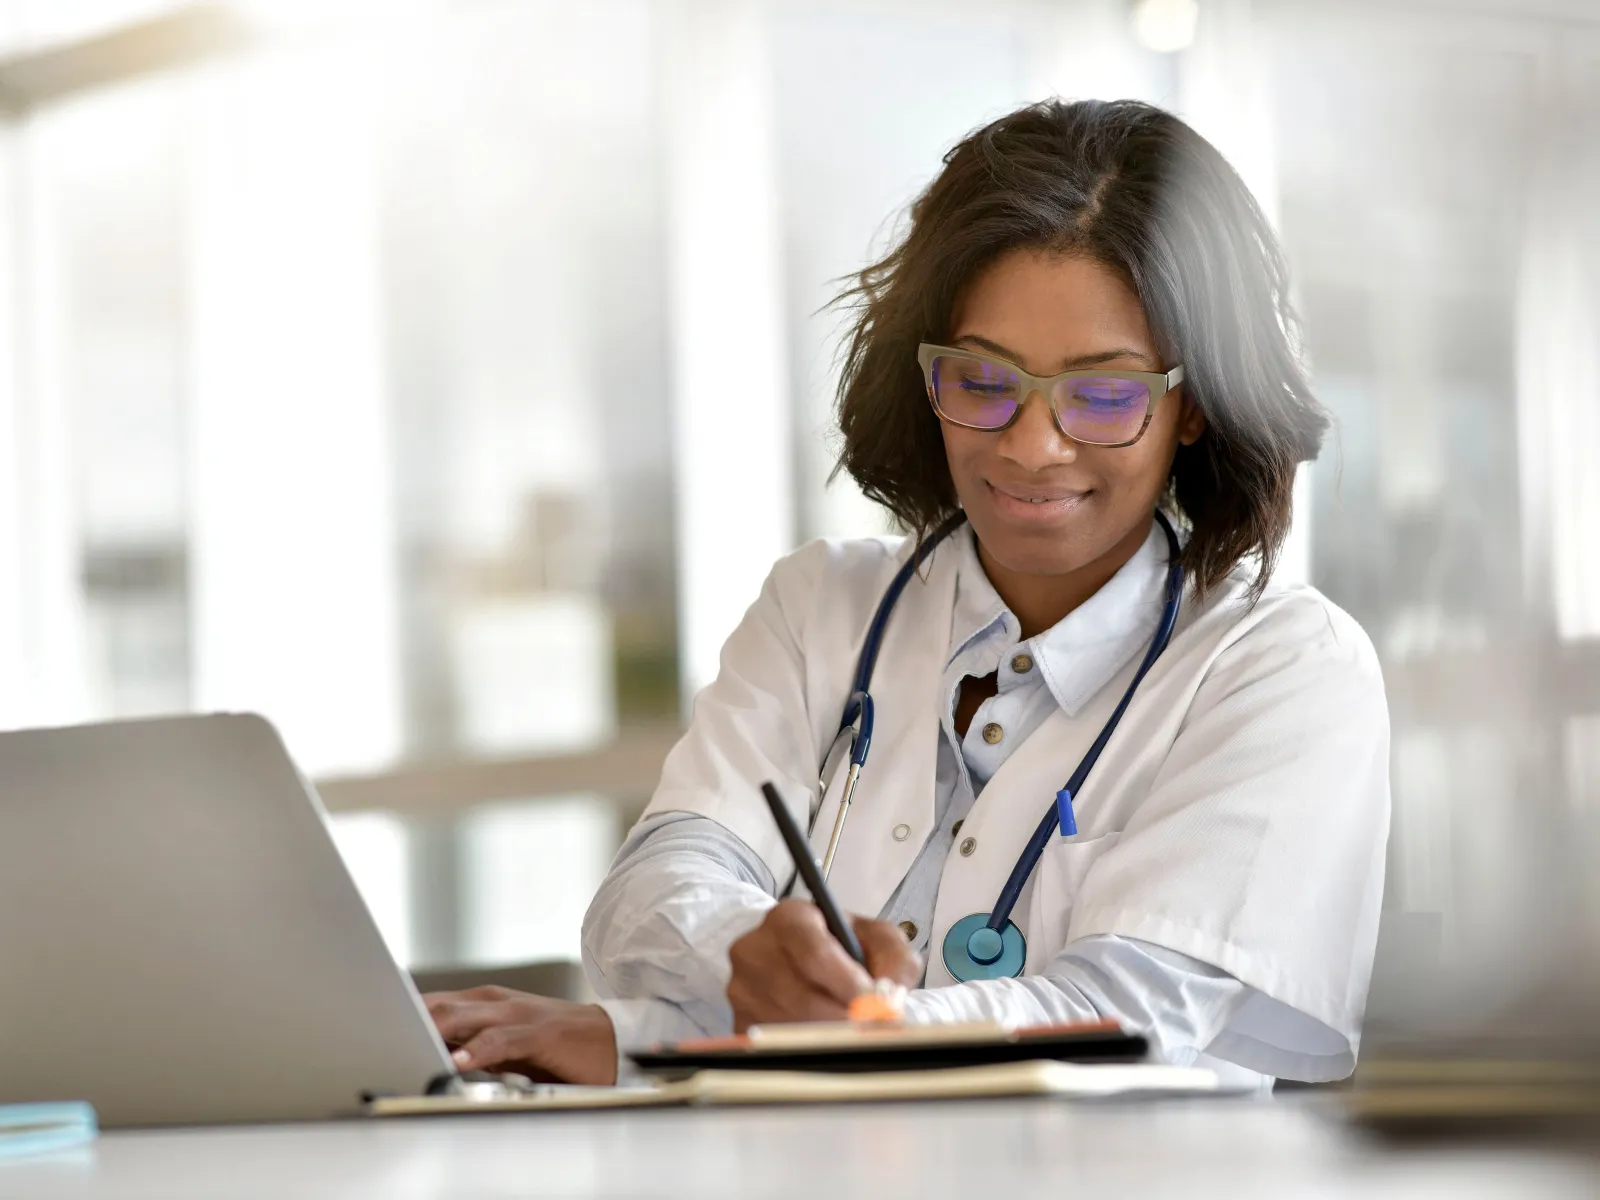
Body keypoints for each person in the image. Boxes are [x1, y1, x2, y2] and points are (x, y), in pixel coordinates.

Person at [425, 97, 1390, 1090]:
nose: (1030, 444)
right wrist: (733, 952)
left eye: (1102, 394)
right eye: (982, 381)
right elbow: (652, 889)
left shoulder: (1280, 665)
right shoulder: (820, 609)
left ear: (1196, 406)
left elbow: (1124, 1016)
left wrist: (656, 1041)